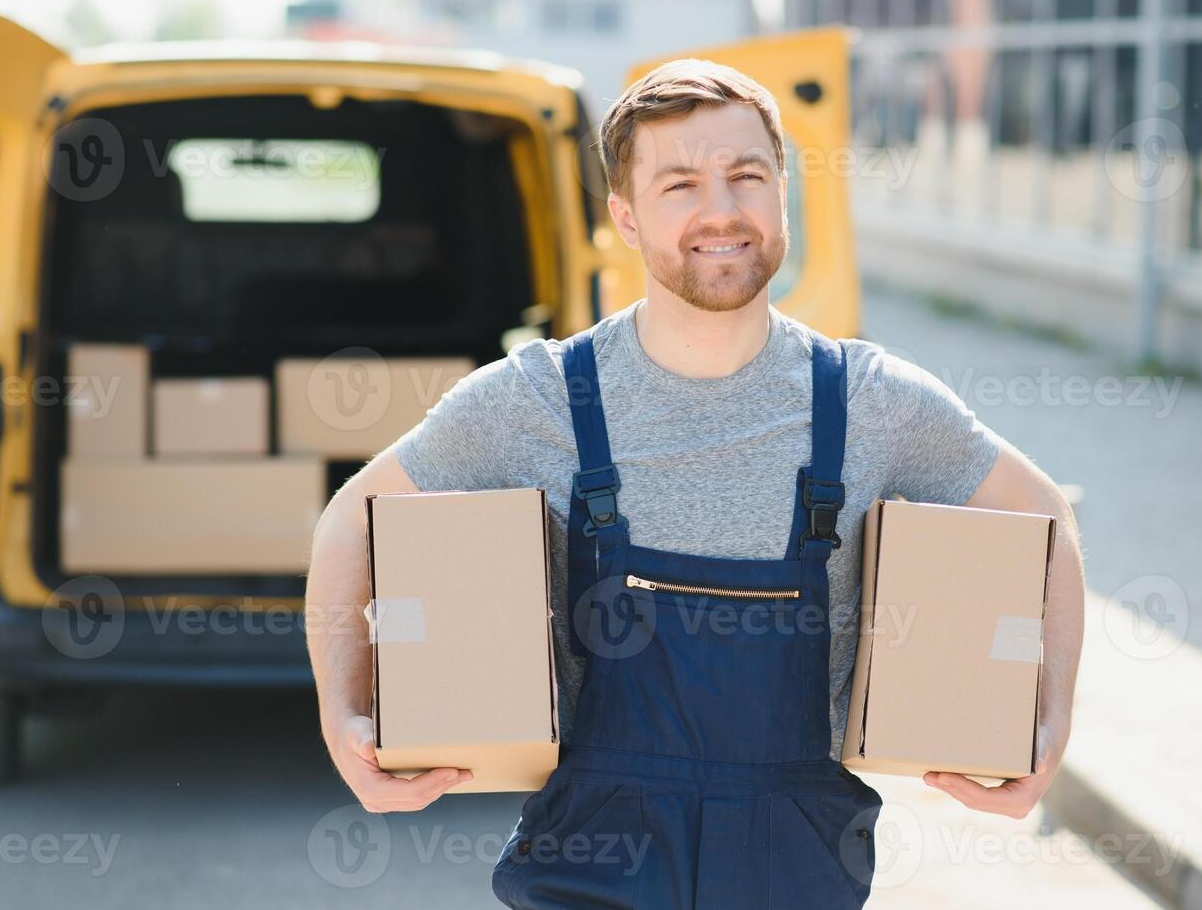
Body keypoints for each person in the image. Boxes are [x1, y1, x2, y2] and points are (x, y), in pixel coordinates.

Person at [306, 58, 1086, 908]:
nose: (722, 210)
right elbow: (353, 521)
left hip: (797, 866)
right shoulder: (535, 400)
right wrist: (342, 717)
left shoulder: (873, 404)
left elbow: (1047, 529)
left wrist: (1045, 728)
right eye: (679, 185)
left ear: (781, 193)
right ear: (627, 219)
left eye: (746, 176)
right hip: (594, 861)